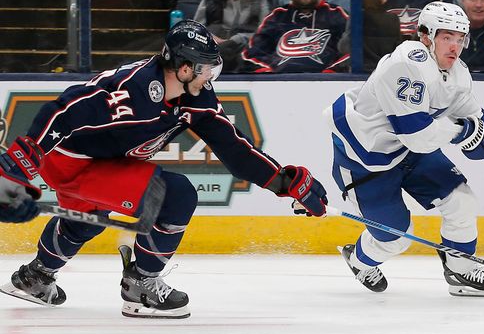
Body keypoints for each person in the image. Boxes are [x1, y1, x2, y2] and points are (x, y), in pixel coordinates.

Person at [0, 20, 328, 318]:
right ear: (184, 68)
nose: (210, 78)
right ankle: (142, 285)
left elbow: (233, 147)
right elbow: (64, 110)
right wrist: (25, 159)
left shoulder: (195, 97)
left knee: (86, 222)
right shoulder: (133, 92)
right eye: (205, 70)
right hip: (74, 163)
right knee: (176, 195)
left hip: (108, 161)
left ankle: (36, 277)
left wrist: (283, 182)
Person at [324, 1, 484, 296]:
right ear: (425, 36)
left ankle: (460, 271)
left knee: (462, 201)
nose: (455, 46)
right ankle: (359, 260)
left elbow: (483, 123)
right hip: (367, 161)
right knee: (395, 239)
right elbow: (417, 135)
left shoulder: (457, 73)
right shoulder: (406, 64)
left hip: (409, 152)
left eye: (460, 38)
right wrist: (463, 132)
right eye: (446, 37)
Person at [242, 0, 349, 72]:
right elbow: (251, 55)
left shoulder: (337, 15)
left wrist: (332, 74)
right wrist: (268, 74)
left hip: (327, 83)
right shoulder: (277, 17)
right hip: (278, 84)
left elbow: (354, 52)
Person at [337, 0, 403, 73]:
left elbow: (344, 47)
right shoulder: (393, 19)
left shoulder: (356, 17)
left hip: (360, 72)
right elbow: (397, 50)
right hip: (385, 72)